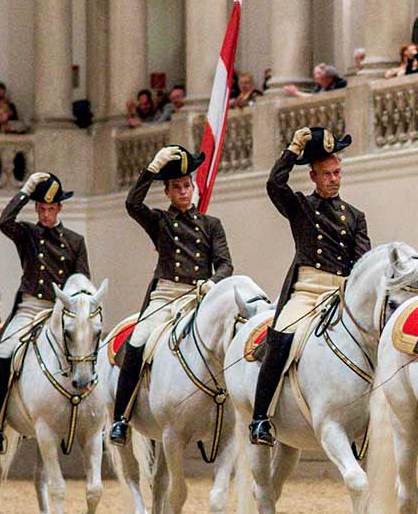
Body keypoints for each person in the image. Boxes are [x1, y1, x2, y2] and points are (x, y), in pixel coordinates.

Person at [249, 127, 370, 446]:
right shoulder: (300, 206)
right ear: (314, 177)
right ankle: (261, 417)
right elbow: (274, 184)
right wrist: (291, 150)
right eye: (326, 174)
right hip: (307, 291)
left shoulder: (355, 216)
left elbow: (364, 260)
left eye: (337, 172)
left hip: (341, 293)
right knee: (283, 335)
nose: (333, 179)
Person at [108, 145, 233, 447]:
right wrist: (150, 170)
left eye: (186, 185)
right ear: (167, 192)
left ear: (194, 187)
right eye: (176, 187)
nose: (182, 191)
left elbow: (226, 264)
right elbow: (132, 204)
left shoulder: (211, 224)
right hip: (165, 297)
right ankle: (121, 419)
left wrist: (212, 283)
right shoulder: (160, 221)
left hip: (199, 297)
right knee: (137, 342)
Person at [0, 173, 89, 453]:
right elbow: (3, 222)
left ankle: (91, 417)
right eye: (41, 209)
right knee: (4, 355)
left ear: (59, 208)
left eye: (51, 208)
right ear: (36, 209)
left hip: (60, 311)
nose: (46, 214)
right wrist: (25, 189)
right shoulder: (27, 233)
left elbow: (82, 281)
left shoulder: (75, 240)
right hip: (30, 308)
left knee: (86, 347)